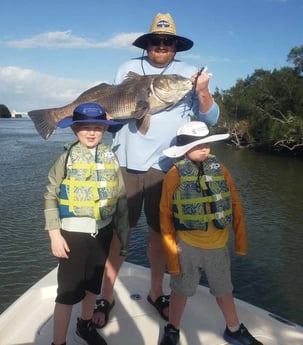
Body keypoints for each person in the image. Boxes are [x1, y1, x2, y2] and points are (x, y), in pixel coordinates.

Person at [93, 12, 220, 328]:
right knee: (119, 234)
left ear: (176, 46)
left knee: (161, 235)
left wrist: (202, 90)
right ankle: (105, 296)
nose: (161, 46)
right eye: (155, 41)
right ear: (147, 44)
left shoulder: (190, 74)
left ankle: (155, 292)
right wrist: (101, 119)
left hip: (167, 167)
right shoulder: (128, 69)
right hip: (126, 163)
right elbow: (117, 119)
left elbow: (210, 120)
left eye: (167, 41)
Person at [158, 121, 263, 345]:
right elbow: (165, 215)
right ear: (184, 149)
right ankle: (173, 328)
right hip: (186, 246)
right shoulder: (174, 175)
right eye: (198, 145)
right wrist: (172, 258)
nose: (204, 148)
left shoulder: (221, 169)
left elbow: (235, 203)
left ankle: (233, 328)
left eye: (206, 143)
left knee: (224, 289)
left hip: (217, 245)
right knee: (180, 291)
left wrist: (240, 241)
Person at [44, 103, 129, 345]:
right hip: (72, 236)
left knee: (94, 286)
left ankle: (85, 325)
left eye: (97, 128)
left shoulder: (110, 157)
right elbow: (50, 195)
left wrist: (123, 236)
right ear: (75, 130)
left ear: (104, 129)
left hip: (102, 234)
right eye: (85, 128)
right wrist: (54, 234)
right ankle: (58, 342)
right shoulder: (65, 158)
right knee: (68, 293)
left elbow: (121, 197)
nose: (91, 133)